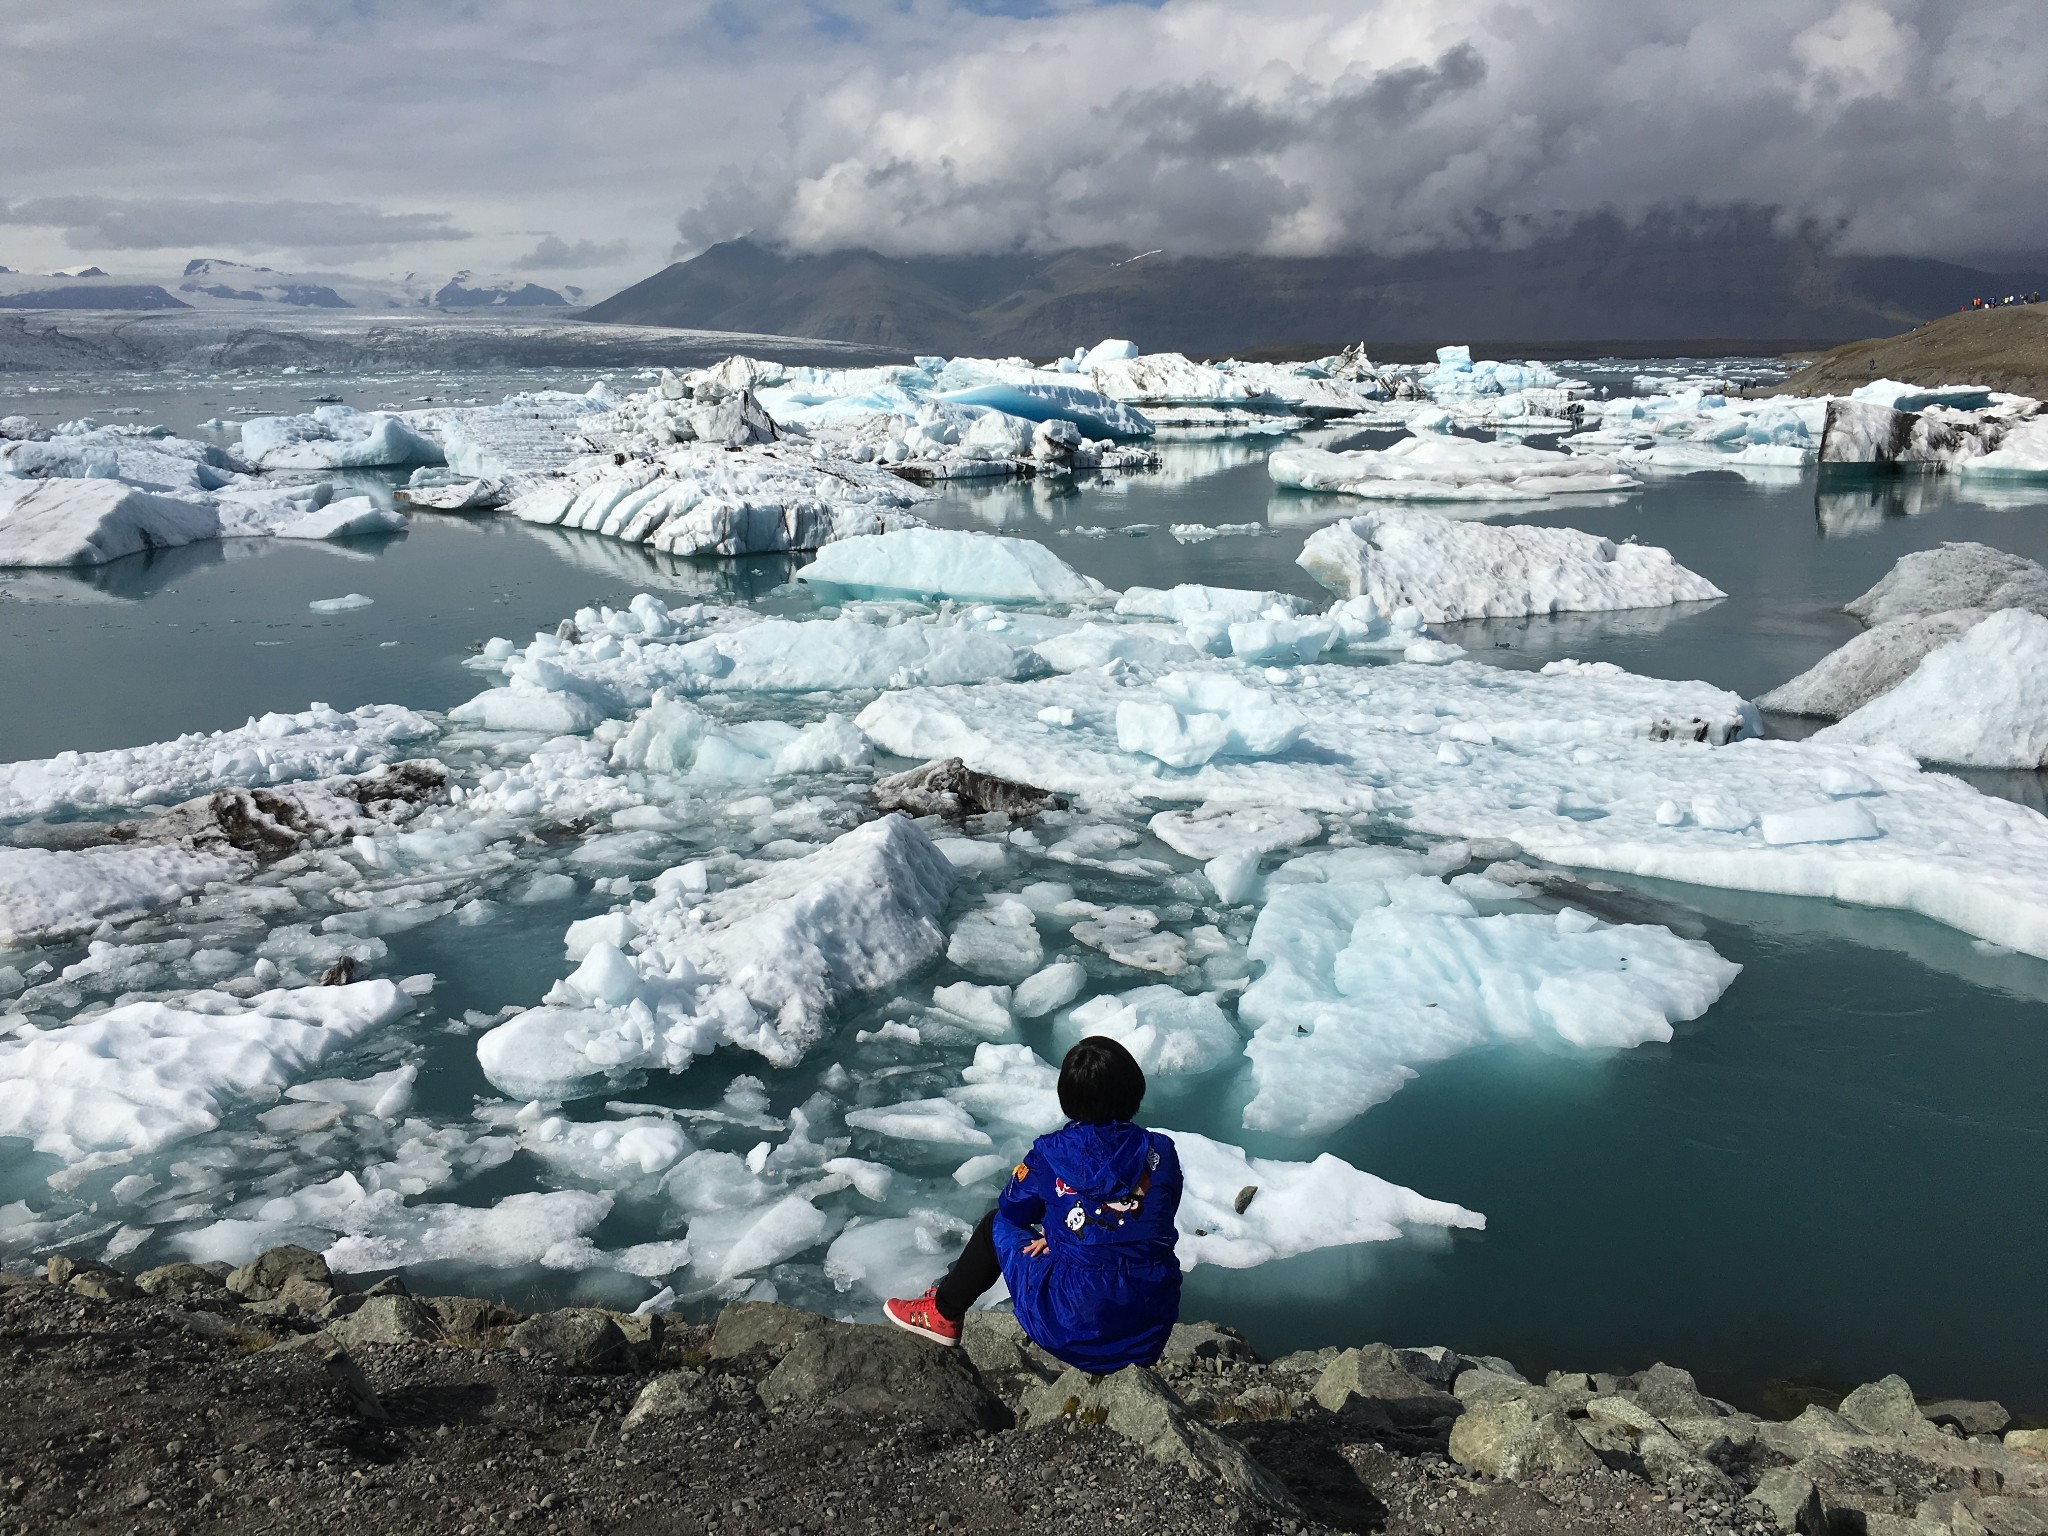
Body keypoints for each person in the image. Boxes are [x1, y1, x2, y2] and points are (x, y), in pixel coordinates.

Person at [883, 1036, 1183, 1372]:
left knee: (995, 1226)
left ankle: (942, 1313)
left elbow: (1013, 1209)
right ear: (1134, 1089)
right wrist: (1063, 1238)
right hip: (1149, 1327)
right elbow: (1155, 1215)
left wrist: (1058, 1235)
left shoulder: (1051, 1153)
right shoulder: (1162, 1153)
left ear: (1068, 1098)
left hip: (1071, 1323)